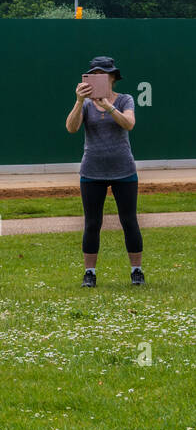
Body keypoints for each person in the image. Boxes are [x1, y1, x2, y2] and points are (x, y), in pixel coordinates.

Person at [65, 56, 143, 287]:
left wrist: (108, 105)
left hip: (124, 169)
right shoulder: (86, 104)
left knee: (129, 221)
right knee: (91, 223)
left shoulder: (125, 100)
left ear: (112, 78)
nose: (99, 77)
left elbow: (129, 124)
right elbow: (71, 128)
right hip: (92, 170)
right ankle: (89, 273)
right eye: (94, 74)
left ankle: (136, 271)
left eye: (103, 74)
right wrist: (79, 101)